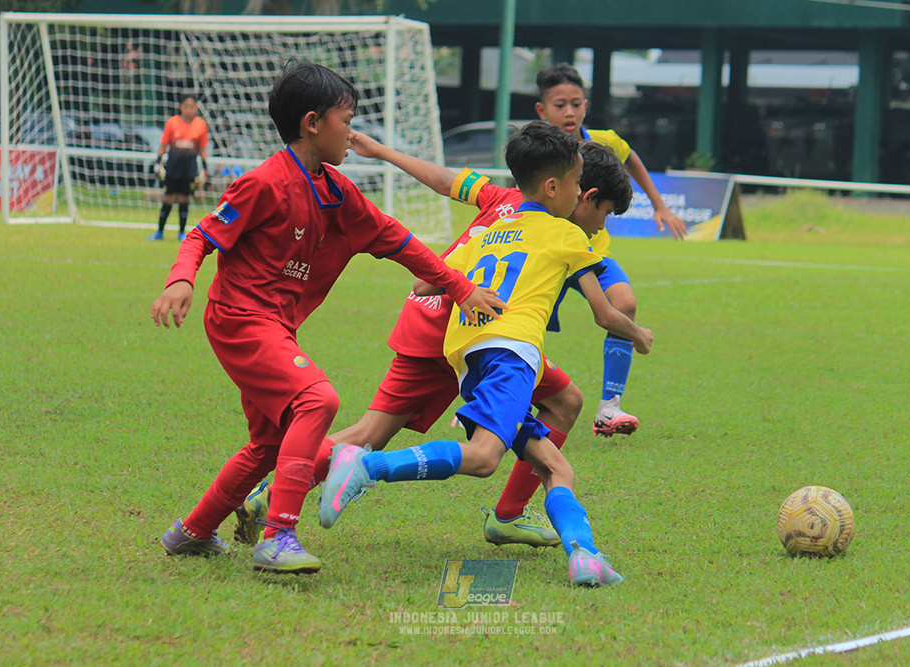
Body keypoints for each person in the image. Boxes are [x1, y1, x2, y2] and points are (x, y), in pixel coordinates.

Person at [150, 60, 505, 575]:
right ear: (313, 123)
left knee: (267, 445)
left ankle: (192, 532)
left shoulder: (338, 191)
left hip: (273, 326)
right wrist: (181, 277)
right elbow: (203, 234)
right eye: (347, 118)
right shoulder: (263, 183)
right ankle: (278, 537)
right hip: (240, 318)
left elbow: (402, 242)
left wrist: (462, 287)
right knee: (317, 399)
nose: (353, 130)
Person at [233, 137, 636, 552]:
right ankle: (508, 515)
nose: (602, 225)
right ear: (572, 190)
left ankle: (271, 492)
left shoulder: (502, 196)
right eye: (603, 212)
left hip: (436, 316)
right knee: (381, 434)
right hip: (473, 329)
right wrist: (638, 335)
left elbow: (447, 181)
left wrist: (385, 151)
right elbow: (609, 309)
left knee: (564, 399)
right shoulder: (558, 229)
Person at [316, 121, 654, 587]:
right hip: (510, 354)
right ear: (558, 188)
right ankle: (366, 465)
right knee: (482, 458)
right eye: (580, 190)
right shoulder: (571, 237)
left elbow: (425, 282)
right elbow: (606, 310)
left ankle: (585, 555)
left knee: (556, 466)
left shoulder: (491, 224)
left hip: (469, 358)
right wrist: (638, 334)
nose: (585, 205)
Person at [535, 63, 686, 437]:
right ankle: (494, 397)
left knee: (625, 303)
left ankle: (609, 408)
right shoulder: (538, 148)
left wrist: (659, 203)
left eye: (575, 104)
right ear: (542, 111)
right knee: (526, 324)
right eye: (559, 105)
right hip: (548, 253)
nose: (568, 112)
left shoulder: (603, 141)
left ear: (585, 105)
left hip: (590, 253)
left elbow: (631, 158)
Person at [149, 94, 209, 242]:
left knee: (184, 199)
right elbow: (163, 146)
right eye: (186, 106)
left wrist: (206, 169)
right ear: (181, 107)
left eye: (192, 107)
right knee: (168, 198)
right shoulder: (172, 123)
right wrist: (157, 162)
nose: (189, 110)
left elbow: (202, 150)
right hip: (173, 166)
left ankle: (181, 233)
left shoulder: (201, 125)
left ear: (196, 108)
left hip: (189, 168)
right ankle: (160, 232)